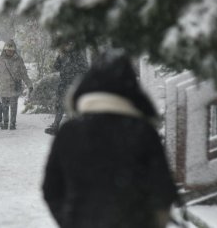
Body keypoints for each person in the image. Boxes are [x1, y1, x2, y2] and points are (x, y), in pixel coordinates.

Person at [42, 54, 178, 228]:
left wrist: (69, 220)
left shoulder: (70, 132)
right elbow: (163, 188)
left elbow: (51, 188)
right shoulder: (142, 131)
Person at [45, 42, 88, 135]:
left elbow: (85, 68)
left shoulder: (78, 54)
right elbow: (56, 67)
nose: (66, 46)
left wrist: (75, 72)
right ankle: (55, 126)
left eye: (68, 44)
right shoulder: (63, 54)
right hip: (63, 83)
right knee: (60, 105)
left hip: (73, 84)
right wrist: (59, 57)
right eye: (64, 44)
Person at [0, 39, 33, 130]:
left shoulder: (18, 60)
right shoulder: (0, 59)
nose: (9, 52)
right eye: (8, 50)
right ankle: (5, 122)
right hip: (3, 86)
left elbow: (23, 74)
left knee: (13, 106)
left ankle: (13, 123)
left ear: (14, 50)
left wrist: (29, 84)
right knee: (4, 106)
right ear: (5, 50)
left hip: (14, 86)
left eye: (11, 50)